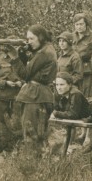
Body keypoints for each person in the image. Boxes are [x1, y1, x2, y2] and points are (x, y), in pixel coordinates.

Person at [14, 25, 57, 156]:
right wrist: (23, 56)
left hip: (35, 96)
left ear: (41, 37)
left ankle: (32, 161)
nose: (29, 42)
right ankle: (37, 159)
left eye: (32, 38)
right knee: (38, 133)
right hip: (41, 94)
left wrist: (15, 57)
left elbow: (25, 74)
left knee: (31, 131)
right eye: (28, 39)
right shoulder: (47, 50)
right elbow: (32, 69)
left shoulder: (43, 53)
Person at [0, 37, 25, 155]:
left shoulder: (21, 61)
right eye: (13, 46)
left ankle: (14, 151)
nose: (15, 49)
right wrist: (4, 83)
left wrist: (21, 82)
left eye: (17, 46)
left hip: (16, 98)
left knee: (16, 126)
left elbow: (26, 75)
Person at [72, 13, 92, 98]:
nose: (79, 27)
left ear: (86, 24)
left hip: (87, 70)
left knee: (86, 94)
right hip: (74, 69)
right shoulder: (72, 36)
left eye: (81, 24)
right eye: (77, 24)